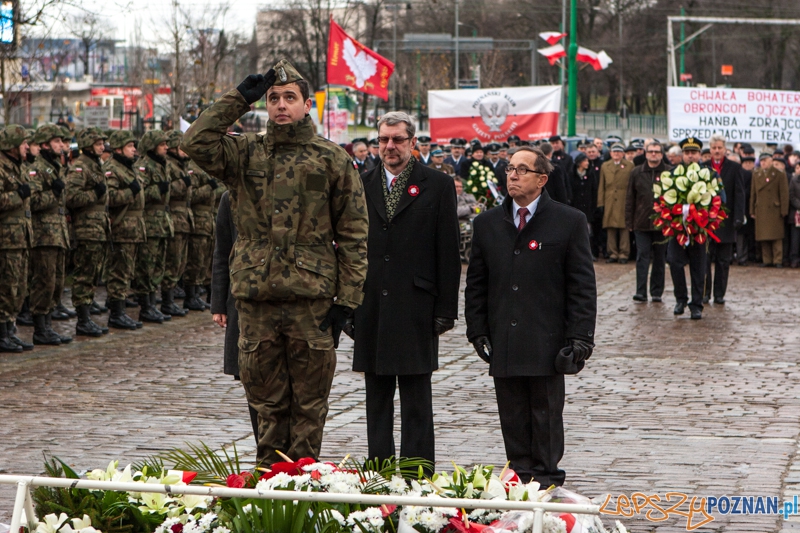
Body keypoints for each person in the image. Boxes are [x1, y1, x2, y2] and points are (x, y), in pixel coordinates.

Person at [182, 59, 369, 464]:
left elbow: (354, 234)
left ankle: (303, 492)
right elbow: (194, 141)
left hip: (312, 302)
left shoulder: (331, 159)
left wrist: (347, 301)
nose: (281, 105)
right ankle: (269, 494)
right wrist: (238, 99)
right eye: (273, 98)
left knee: (309, 408)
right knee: (265, 408)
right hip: (257, 299)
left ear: (306, 104)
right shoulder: (243, 153)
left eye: (290, 97)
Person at [465, 146, 596, 487]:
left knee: (546, 418)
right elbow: (476, 284)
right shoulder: (488, 223)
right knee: (512, 419)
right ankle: (520, 483)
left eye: (522, 169)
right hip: (504, 342)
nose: (512, 175)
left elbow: (582, 286)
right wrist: (477, 331)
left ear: (542, 179)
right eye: (509, 168)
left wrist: (580, 338)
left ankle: (549, 484)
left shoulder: (569, 221)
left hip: (548, 342)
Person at [352, 111, 461, 469]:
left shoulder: (437, 185)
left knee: (416, 399)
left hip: (416, 304)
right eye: (383, 140)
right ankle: (380, 474)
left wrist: (446, 309)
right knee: (376, 398)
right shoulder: (361, 183)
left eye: (397, 139)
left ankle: (417, 476)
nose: (390, 146)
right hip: (371, 306)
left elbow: (448, 252)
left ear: (412, 142)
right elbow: (347, 247)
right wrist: (347, 306)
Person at [211, 190, 260, 444]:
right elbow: (222, 252)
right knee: (251, 380)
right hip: (241, 303)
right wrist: (218, 303)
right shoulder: (231, 198)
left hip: (282, 303)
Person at [27, 125, 73, 345]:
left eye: (62, 142)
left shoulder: (55, 167)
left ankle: (48, 325)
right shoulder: (37, 168)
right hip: (44, 233)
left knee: (56, 281)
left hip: (57, 232)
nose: (61, 146)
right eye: (56, 142)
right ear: (45, 144)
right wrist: (52, 193)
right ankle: (40, 328)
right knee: (44, 281)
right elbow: (33, 201)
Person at [65, 127, 110, 337]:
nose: (102, 147)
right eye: (98, 143)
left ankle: (87, 315)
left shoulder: (95, 165)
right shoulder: (81, 167)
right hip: (86, 228)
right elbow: (72, 197)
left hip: (98, 227)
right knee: (84, 274)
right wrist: (94, 193)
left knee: (93, 273)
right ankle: (82, 319)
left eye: (102, 143)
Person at [104, 130, 146, 330]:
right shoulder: (112, 168)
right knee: (119, 272)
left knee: (127, 271)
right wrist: (130, 191)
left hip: (134, 228)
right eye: (130, 146)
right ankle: (116, 313)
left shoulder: (129, 168)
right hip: (122, 228)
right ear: (119, 149)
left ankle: (120, 311)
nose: (134, 150)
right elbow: (109, 197)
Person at [0, 126, 35, 352]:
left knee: (19, 286)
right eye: (23, 143)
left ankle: (10, 330)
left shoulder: (18, 167)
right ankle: (2, 332)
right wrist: (18, 195)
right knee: (7, 286)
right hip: (7, 237)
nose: (27, 147)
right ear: (12, 145)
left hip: (21, 236)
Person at [132, 130, 173, 324]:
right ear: (152, 146)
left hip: (162, 221)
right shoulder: (144, 166)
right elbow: (140, 194)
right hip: (149, 221)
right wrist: (158, 189)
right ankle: (146, 306)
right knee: (146, 266)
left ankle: (153, 304)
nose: (166, 147)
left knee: (158, 265)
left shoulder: (162, 165)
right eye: (162, 144)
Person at [667, 138, 708, 320]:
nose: (690, 155)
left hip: (699, 227)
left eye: (694, 152)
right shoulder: (673, 173)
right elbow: (663, 196)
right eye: (687, 152)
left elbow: (719, 198)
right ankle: (681, 299)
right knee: (674, 262)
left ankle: (697, 304)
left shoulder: (708, 174)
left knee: (698, 267)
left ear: (699, 154)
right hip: (678, 227)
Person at [703, 134, 745, 304]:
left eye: (720, 148)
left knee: (723, 260)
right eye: (714, 148)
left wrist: (738, 217)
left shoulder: (735, 168)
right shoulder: (703, 167)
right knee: (704, 259)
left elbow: (739, 193)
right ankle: (705, 292)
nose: (717, 151)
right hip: (705, 222)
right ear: (710, 150)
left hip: (726, 221)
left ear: (725, 149)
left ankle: (719, 294)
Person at [625, 141, 667, 302]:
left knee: (659, 258)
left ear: (662, 154)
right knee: (642, 257)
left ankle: (656, 292)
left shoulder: (668, 172)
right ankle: (640, 291)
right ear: (646, 154)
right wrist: (629, 221)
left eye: (657, 151)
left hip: (662, 224)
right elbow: (630, 198)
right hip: (641, 223)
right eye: (651, 151)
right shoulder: (637, 172)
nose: (654, 154)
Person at [160, 131, 191, 317]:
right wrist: (183, 184)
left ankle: (171, 300)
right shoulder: (170, 166)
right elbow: (169, 189)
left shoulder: (180, 165)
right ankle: (167, 301)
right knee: (172, 262)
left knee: (180, 261)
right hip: (174, 217)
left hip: (184, 218)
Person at [185, 157, 219, 311]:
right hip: (199, 220)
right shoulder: (193, 168)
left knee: (206, 261)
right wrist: (209, 188)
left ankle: (199, 295)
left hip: (209, 220)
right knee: (196, 260)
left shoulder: (208, 166)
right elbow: (190, 195)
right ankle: (191, 296)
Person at [750, 152, 789, 268]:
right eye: (761, 161)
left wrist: (784, 210)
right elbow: (753, 193)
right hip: (761, 208)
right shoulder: (756, 174)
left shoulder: (779, 174)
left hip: (774, 209)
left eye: (765, 160)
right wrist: (752, 209)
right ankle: (766, 259)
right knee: (763, 236)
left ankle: (777, 260)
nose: (763, 163)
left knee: (776, 237)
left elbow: (784, 194)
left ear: (771, 161)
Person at [598, 143, 632, 263]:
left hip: (624, 199)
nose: (616, 154)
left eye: (619, 151)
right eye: (614, 151)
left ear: (623, 153)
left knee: (624, 228)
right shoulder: (605, 166)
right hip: (609, 199)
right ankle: (612, 253)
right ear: (611, 153)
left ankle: (624, 253)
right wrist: (600, 203)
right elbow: (601, 185)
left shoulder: (629, 166)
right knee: (610, 228)